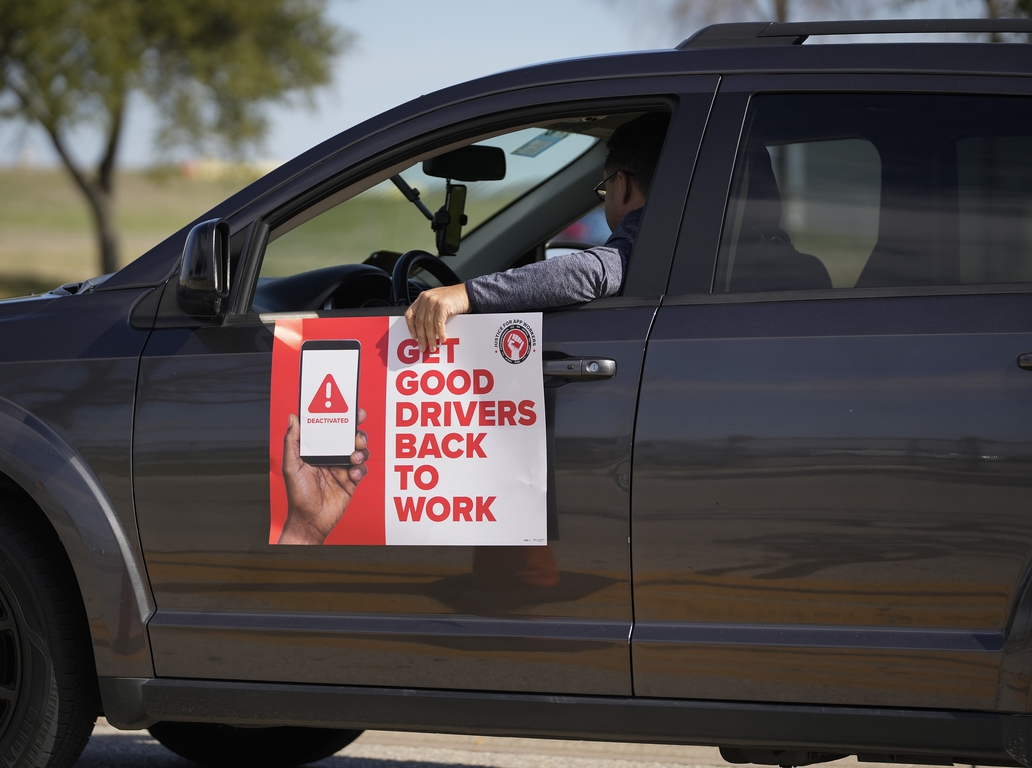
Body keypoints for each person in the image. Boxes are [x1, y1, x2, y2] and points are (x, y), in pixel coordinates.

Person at [404, 112, 670, 352]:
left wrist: (466, 294)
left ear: (621, 184)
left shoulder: (648, 231)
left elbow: (594, 271)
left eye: (605, 189)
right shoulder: (677, 234)